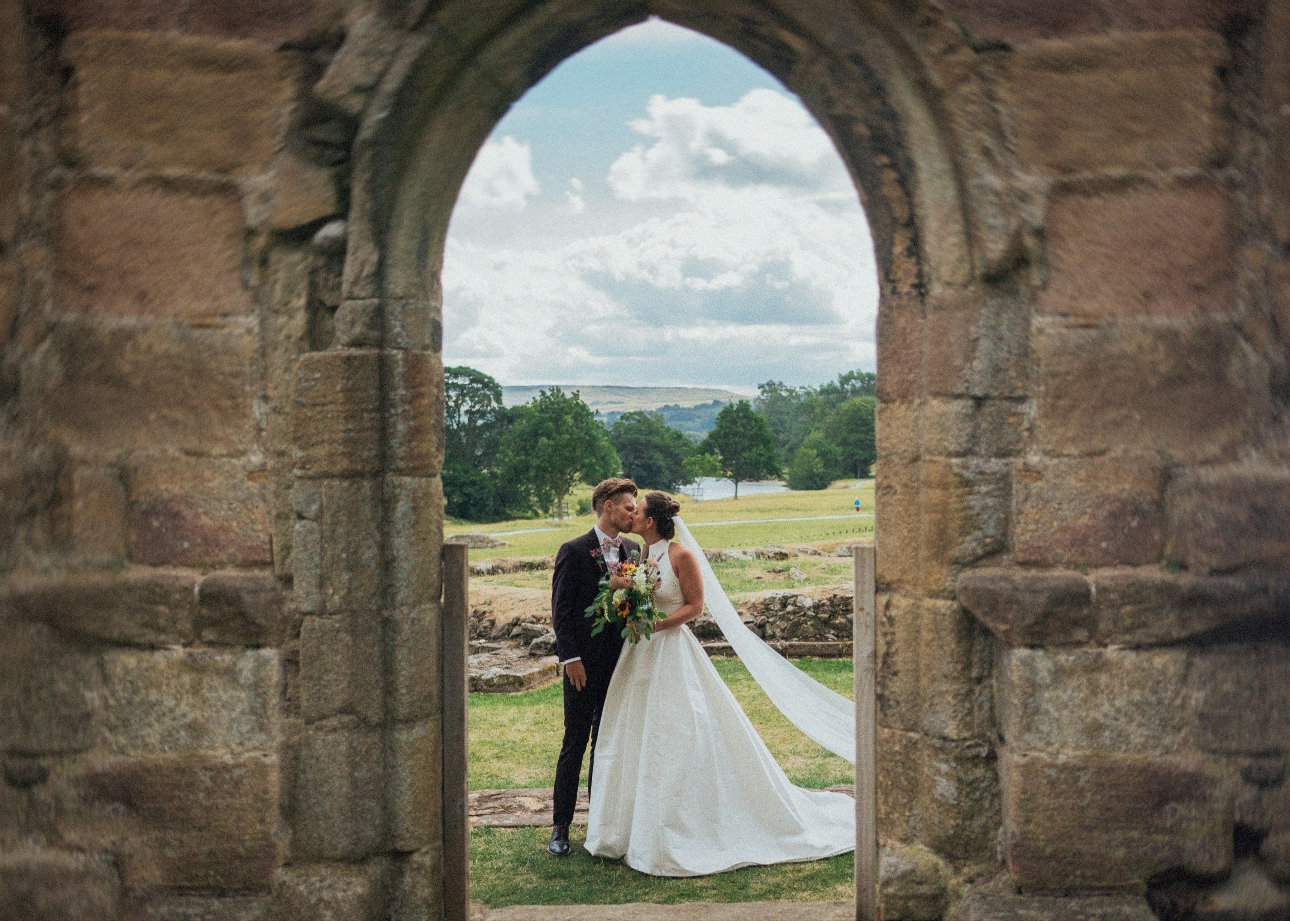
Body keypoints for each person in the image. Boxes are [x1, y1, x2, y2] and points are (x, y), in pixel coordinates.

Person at [585, 491, 855, 876]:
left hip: (671, 650)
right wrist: (626, 602)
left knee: (676, 732)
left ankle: (680, 825)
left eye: (639, 511)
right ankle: (630, 827)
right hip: (641, 653)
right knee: (634, 731)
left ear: (651, 522)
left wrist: (657, 626)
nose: (633, 516)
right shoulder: (642, 556)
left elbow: (694, 606)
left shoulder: (681, 556)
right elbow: (637, 593)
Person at [547, 477, 641, 858]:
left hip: (622, 666)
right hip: (583, 667)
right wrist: (571, 659)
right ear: (608, 507)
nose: (633, 514)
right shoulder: (574, 550)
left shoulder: (633, 550)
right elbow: (562, 612)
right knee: (576, 742)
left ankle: (601, 824)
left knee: (609, 743)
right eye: (628, 508)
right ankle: (560, 826)